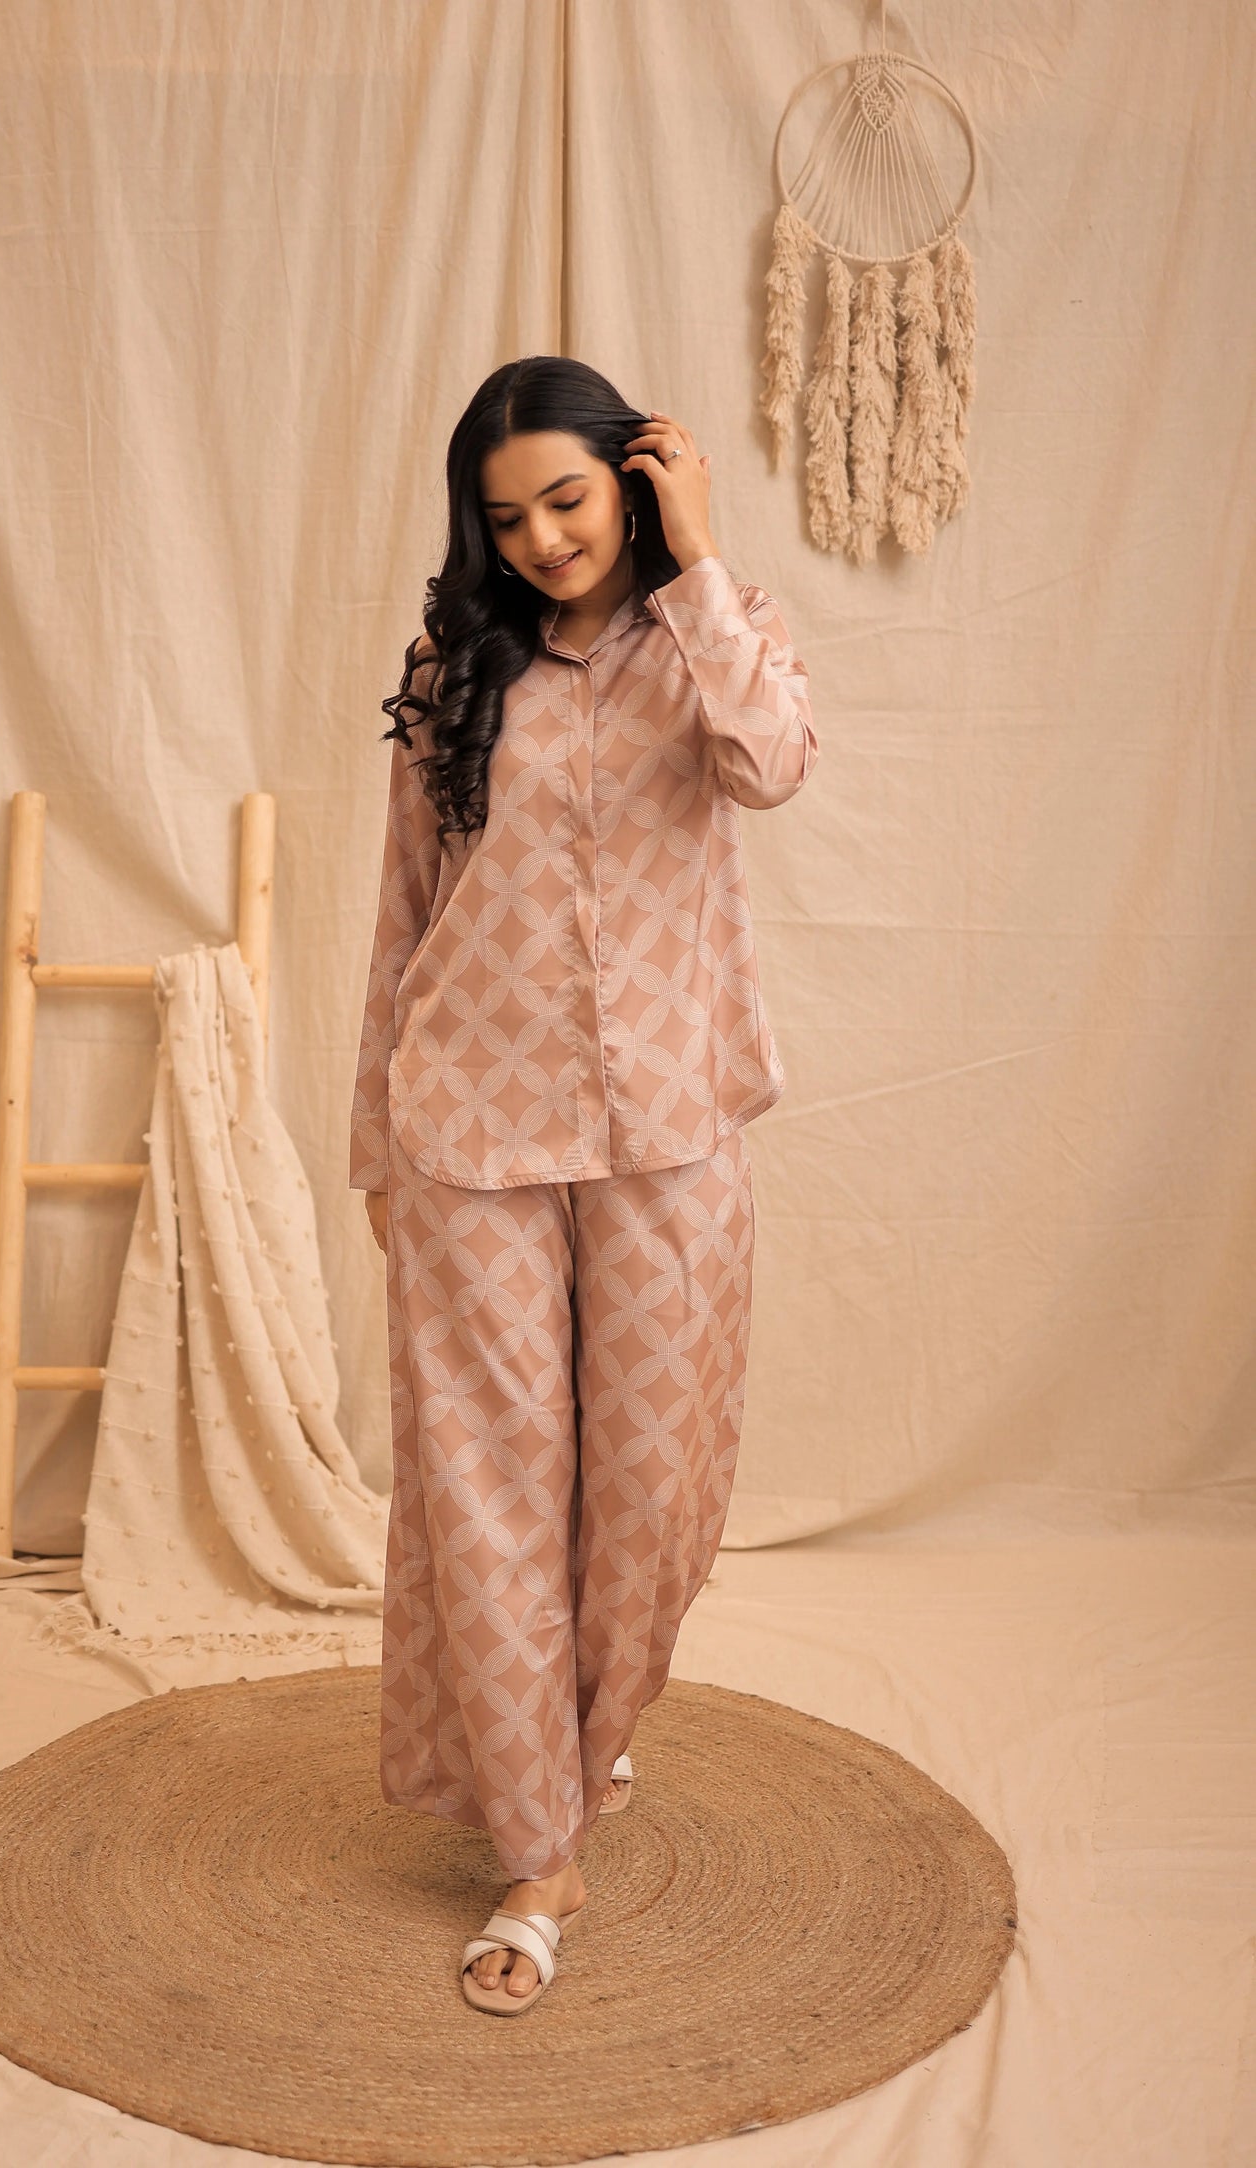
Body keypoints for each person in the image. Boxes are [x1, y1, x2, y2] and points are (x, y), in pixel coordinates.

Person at [349, 355, 819, 2013]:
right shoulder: (453, 670)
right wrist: (372, 1147)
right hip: (465, 1134)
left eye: (566, 498)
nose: (543, 539)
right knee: (483, 1491)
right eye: (507, 519)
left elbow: (771, 763)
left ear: (629, 477)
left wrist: (696, 558)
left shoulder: (716, 634)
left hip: (670, 1131)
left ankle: (587, 1734)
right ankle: (535, 1848)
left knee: (649, 1498)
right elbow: (404, 916)